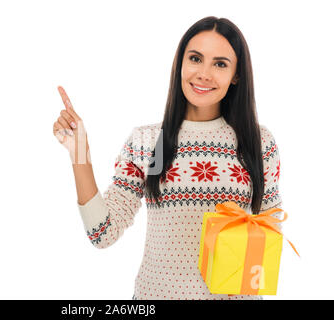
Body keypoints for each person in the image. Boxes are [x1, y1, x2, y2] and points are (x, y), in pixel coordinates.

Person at [52, 16, 283, 300]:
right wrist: (79, 154)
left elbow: (271, 228)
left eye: (220, 64)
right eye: (196, 59)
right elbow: (103, 233)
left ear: (236, 75)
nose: (204, 74)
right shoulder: (153, 144)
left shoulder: (257, 143)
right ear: (180, 64)